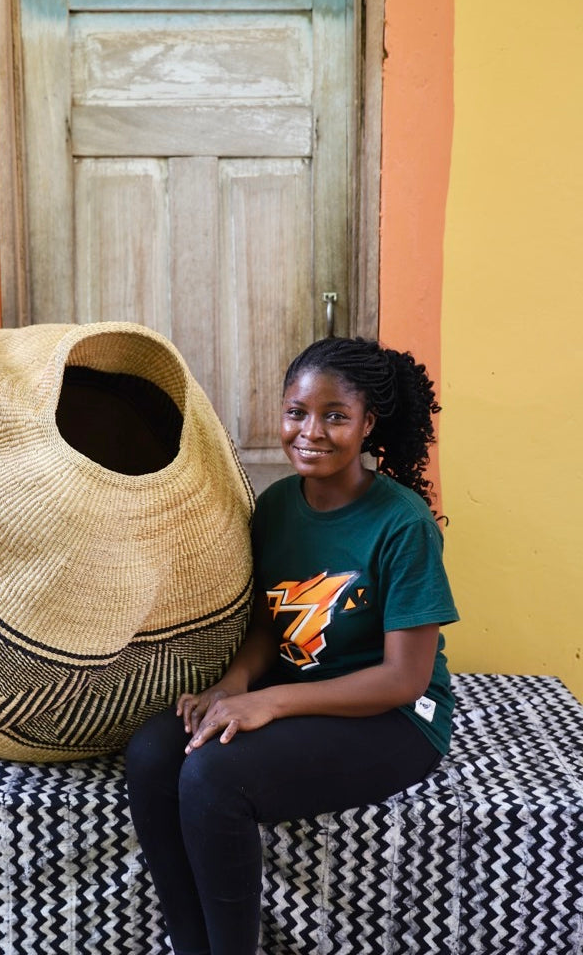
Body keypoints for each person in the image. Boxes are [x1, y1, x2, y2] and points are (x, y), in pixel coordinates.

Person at [124, 336, 459, 955]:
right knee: (151, 754)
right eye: (297, 412)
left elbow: (403, 679)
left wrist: (269, 703)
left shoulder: (402, 523)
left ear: (367, 424)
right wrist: (233, 685)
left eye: (335, 416)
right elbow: (267, 625)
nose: (311, 432)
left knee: (214, 777)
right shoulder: (276, 506)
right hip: (302, 689)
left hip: (395, 718)